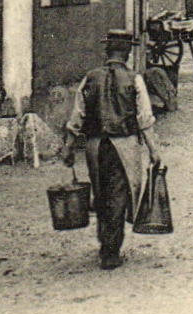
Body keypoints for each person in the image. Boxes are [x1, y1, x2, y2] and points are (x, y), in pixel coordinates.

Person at [61, 30, 162, 270]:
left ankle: (105, 243)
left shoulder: (90, 78)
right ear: (127, 53)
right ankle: (110, 249)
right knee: (119, 195)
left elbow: (78, 116)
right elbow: (144, 118)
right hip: (124, 144)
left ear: (107, 51)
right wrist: (154, 150)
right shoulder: (134, 79)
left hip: (96, 146)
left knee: (101, 192)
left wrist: (68, 147)